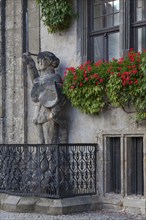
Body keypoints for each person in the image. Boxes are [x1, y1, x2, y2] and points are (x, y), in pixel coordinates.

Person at [22, 51, 67, 144]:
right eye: (38, 61)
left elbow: (58, 98)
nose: (39, 63)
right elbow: (35, 79)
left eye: (40, 61)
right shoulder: (39, 79)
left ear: (48, 61)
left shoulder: (55, 77)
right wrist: (30, 63)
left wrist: (51, 115)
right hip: (39, 113)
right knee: (40, 143)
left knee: (50, 142)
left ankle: (52, 158)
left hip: (50, 113)